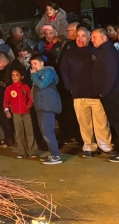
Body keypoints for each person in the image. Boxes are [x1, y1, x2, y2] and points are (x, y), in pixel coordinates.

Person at [60, 27, 112, 157]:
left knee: (101, 122)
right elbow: (63, 71)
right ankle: (89, 147)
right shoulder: (69, 53)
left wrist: (102, 89)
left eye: (83, 36)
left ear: (89, 37)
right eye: (78, 35)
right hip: (78, 94)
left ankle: (105, 146)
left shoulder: (96, 51)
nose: (80, 38)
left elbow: (105, 71)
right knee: (84, 123)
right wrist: (70, 87)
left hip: (96, 94)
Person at [90, 28, 119, 163]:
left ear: (104, 37)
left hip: (113, 94)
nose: (92, 39)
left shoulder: (108, 52)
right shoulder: (105, 51)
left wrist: (103, 92)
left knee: (117, 122)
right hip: (110, 93)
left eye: (94, 37)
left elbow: (111, 74)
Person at [30, 54, 63, 164]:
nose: (33, 66)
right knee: (45, 132)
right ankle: (53, 153)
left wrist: (33, 75)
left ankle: (56, 156)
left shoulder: (47, 72)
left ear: (42, 63)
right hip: (41, 106)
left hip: (47, 107)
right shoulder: (40, 73)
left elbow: (42, 84)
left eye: (35, 64)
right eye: (31, 64)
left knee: (48, 132)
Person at [3, 68, 38, 159]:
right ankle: (22, 152)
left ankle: (32, 151)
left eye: (17, 75)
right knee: (19, 133)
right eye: (13, 75)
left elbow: (30, 99)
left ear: (21, 76)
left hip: (26, 113)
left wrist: (28, 106)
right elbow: (6, 101)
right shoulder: (9, 88)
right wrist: (7, 110)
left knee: (30, 132)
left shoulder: (25, 87)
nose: (14, 77)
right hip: (16, 114)